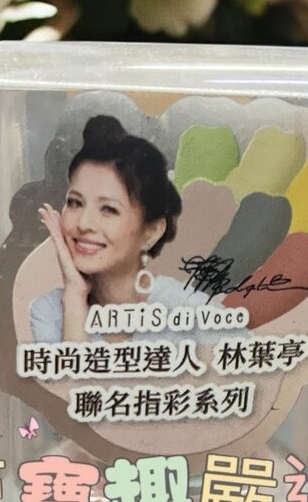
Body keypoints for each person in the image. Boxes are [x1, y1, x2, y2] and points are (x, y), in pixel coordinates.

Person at [32, 114, 215, 345]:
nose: (84, 224)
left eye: (109, 209)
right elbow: (71, 371)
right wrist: (75, 296)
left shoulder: (191, 313)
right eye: (75, 202)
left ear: (152, 231)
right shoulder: (50, 312)